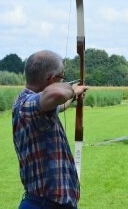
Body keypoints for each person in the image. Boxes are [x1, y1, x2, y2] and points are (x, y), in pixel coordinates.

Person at [12, 50, 88, 209]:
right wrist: (70, 89)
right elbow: (58, 93)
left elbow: (58, 105)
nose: (63, 81)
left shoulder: (38, 107)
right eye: (62, 77)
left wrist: (74, 96)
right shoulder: (27, 105)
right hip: (43, 205)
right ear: (52, 79)